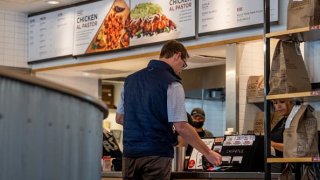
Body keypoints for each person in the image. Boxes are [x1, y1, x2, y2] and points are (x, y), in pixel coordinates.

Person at [115, 40, 222, 180]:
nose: (181, 70)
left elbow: (120, 118)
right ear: (177, 55)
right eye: (183, 65)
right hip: (156, 155)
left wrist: (142, 126)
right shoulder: (172, 83)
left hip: (129, 155)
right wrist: (208, 152)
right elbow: (181, 126)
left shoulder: (129, 80)